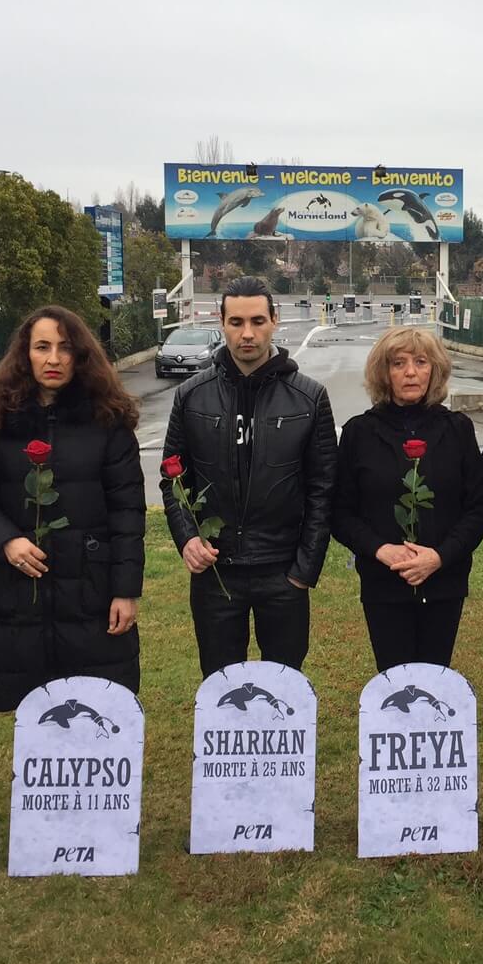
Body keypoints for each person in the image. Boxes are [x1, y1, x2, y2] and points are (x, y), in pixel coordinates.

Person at [0, 305, 145, 710]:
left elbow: (128, 512)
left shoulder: (108, 419)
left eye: (65, 348)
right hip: (18, 591)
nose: (53, 358)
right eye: (42, 347)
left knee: (95, 708)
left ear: (80, 355)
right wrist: (7, 540)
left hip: (91, 591)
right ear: (25, 354)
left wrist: (126, 590)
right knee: (31, 716)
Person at [161, 276, 336, 674]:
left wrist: (304, 571)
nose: (247, 333)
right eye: (236, 322)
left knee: (285, 684)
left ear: (275, 320)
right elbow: (172, 481)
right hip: (215, 572)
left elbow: (323, 490)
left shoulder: (310, 398)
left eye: (257, 321)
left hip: (282, 570)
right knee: (221, 684)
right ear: (221, 323)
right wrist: (188, 538)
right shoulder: (191, 395)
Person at [332, 328, 483, 670]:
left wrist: (440, 556)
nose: (410, 372)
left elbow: (479, 507)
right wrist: (382, 550)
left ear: (434, 370)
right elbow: (341, 513)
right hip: (383, 582)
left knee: (436, 678)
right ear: (383, 372)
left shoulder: (458, 430)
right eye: (399, 363)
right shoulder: (359, 433)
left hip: (444, 581)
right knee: (393, 679)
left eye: (421, 362)